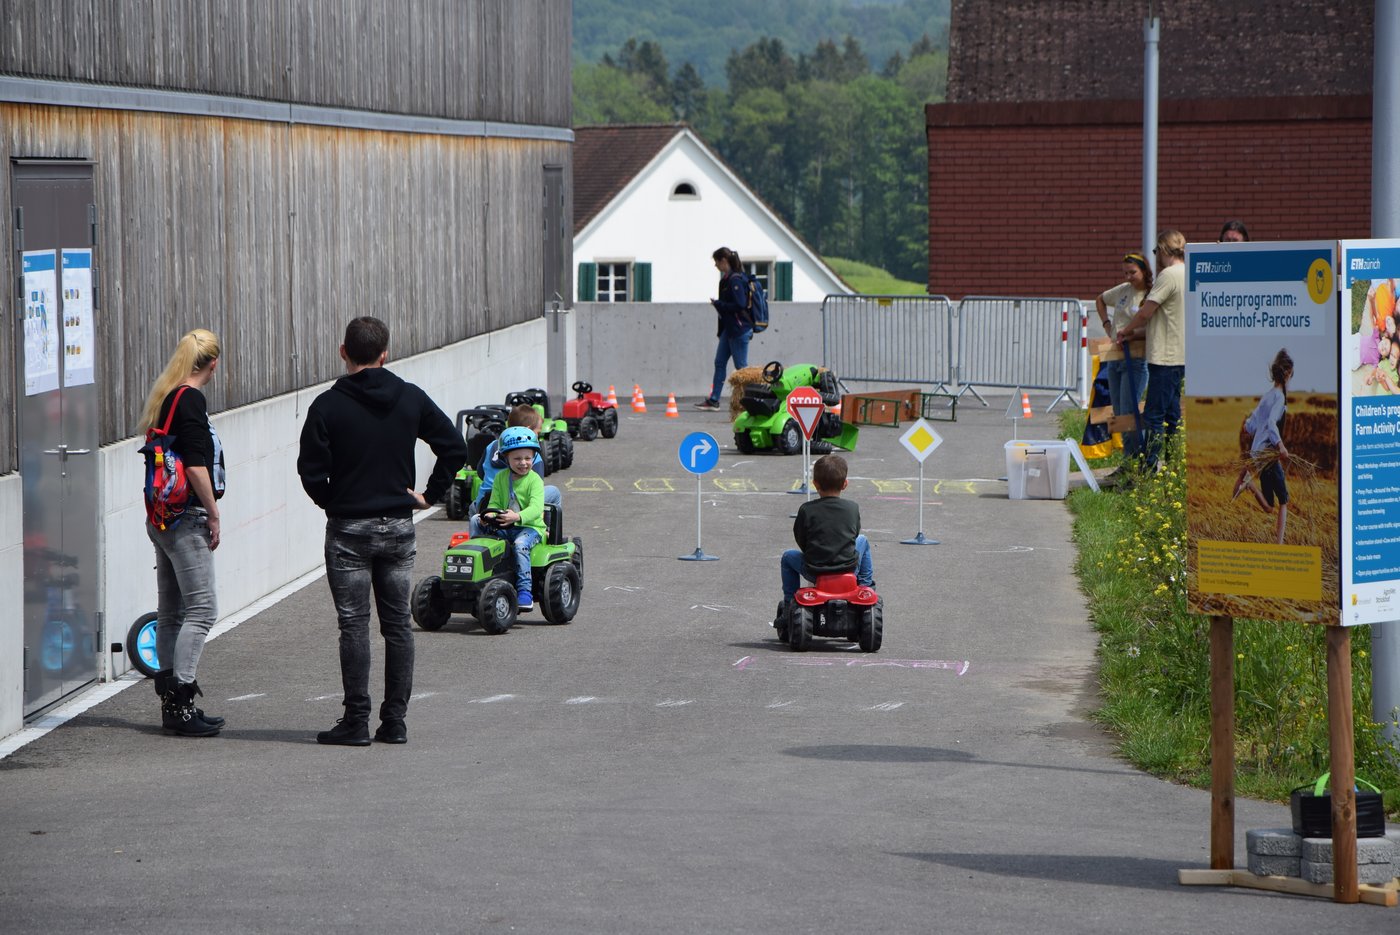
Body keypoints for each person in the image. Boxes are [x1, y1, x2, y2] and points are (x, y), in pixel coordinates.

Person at [297, 316, 467, 747]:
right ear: (385, 353)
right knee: (397, 626)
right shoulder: (409, 398)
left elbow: (310, 471)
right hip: (397, 526)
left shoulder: (326, 406)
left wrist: (332, 501)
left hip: (349, 529)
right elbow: (455, 447)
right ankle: (394, 722)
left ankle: (355, 722)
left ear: (343, 352)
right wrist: (429, 495)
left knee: (353, 626)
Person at [141, 328, 227, 737]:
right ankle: (182, 699)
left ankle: (174, 707)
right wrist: (213, 514)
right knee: (203, 610)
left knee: (172, 613)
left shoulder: (166, 396)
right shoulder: (191, 399)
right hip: (187, 518)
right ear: (213, 363)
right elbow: (195, 466)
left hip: (161, 517)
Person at [1118, 230, 1187, 471]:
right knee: (1172, 416)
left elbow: (1146, 312)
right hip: (1180, 355)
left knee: (1154, 415)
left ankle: (1149, 469)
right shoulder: (1187, 272)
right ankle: (1174, 465)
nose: (1156, 256)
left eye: (1157, 251)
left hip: (1164, 357)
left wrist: (1126, 330)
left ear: (1164, 249)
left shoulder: (1167, 275)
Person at [777, 454, 875, 621]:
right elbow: (855, 533)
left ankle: (789, 605)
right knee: (863, 540)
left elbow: (801, 538)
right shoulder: (852, 507)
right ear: (845, 484)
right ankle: (864, 586)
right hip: (848, 569)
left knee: (788, 557)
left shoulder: (806, 509)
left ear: (815, 484)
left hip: (816, 570)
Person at [478, 426, 548, 612]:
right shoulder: (501, 478)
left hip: (531, 528)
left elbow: (536, 508)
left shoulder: (535, 481)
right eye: (517, 458)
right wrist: (489, 516)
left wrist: (517, 516)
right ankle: (479, 579)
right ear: (505, 458)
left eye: (528, 458)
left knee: (519, 544)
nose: (523, 463)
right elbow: (494, 502)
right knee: (480, 536)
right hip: (506, 524)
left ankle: (525, 591)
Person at [1094, 253, 1153, 460]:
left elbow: (1153, 328)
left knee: (1130, 413)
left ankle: (1139, 461)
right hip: (1115, 359)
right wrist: (1107, 324)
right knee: (1120, 414)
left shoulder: (1150, 293)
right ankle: (1129, 462)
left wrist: (1132, 334)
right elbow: (1100, 300)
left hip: (1136, 359)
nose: (1128, 277)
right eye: (1125, 273)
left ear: (1144, 270)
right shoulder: (1123, 291)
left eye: (1133, 272)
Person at [470, 404, 560, 537]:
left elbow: (480, 473)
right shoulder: (531, 455)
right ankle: (547, 531)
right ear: (527, 431)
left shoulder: (492, 446)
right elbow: (537, 486)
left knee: (473, 507)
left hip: (485, 505)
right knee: (554, 492)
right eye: (537, 432)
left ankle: (476, 537)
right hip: (514, 506)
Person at [1232, 350, 1293, 544]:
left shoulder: (1267, 396)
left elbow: (1252, 424)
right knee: (1283, 501)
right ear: (1288, 374)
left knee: (1269, 506)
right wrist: (1281, 446)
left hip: (1257, 452)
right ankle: (1280, 543)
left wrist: (1247, 426)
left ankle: (1248, 482)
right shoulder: (1279, 398)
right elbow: (1271, 424)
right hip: (1268, 452)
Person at [695, 246, 753, 411]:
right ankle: (714, 400)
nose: (716, 266)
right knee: (719, 363)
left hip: (738, 330)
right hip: (729, 330)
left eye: (717, 262)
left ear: (724, 261)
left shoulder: (735, 280)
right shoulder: (728, 279)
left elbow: (740, 304)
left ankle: (749, 401)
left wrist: (719, 304)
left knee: (741, 368)